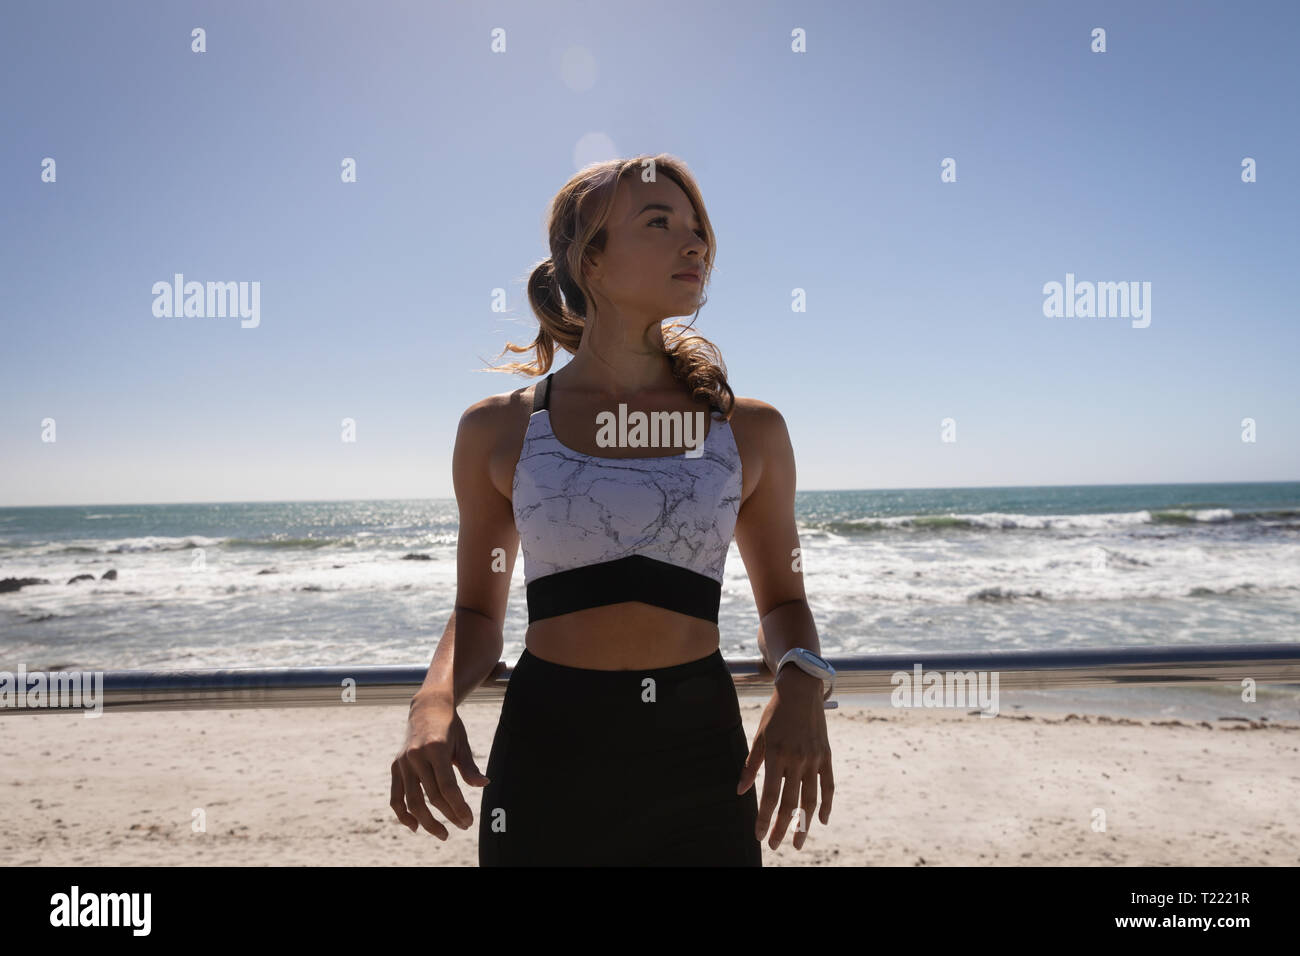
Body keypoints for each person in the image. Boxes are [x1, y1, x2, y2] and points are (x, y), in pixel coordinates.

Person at [390, 154, 834, 865]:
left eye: (698, 228)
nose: (695, 245)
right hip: (545, 757)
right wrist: (431, 705)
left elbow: (783, 603)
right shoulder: (498, 431)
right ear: (588, 260)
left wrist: (803, 688)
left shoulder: (748, 431)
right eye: (659, 222)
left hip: (702, 760)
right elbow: (477, 616)